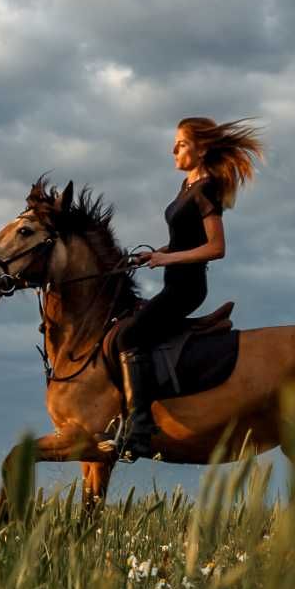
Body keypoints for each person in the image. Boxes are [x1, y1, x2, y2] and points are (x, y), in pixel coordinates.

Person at [101, 116, 265, 461]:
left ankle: (140, 430)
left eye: (181, 144)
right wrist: (158, 252)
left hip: (187, 288)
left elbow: (216, 247)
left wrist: (169, 261)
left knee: (129, 337)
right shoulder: (187, 187)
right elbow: (183, 239)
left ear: (201, 148)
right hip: (174, 280)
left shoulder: (206, 189)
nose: (173, 149)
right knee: (119, 334)